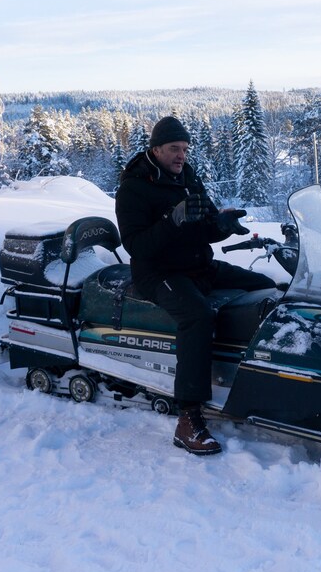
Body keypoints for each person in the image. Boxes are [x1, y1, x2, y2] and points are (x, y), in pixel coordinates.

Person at [114, 115, 275, 456]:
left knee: (265, 284)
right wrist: (172, 221)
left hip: (198, 265)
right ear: (155, 149)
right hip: (159, 273)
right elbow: (136, 247)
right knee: (197, 316)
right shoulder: (132, 187)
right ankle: (188, 417)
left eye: (185, 149)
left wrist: (222, 225)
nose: (181, 156)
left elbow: (204, 227)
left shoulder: (188, 178)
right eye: (174, 149)